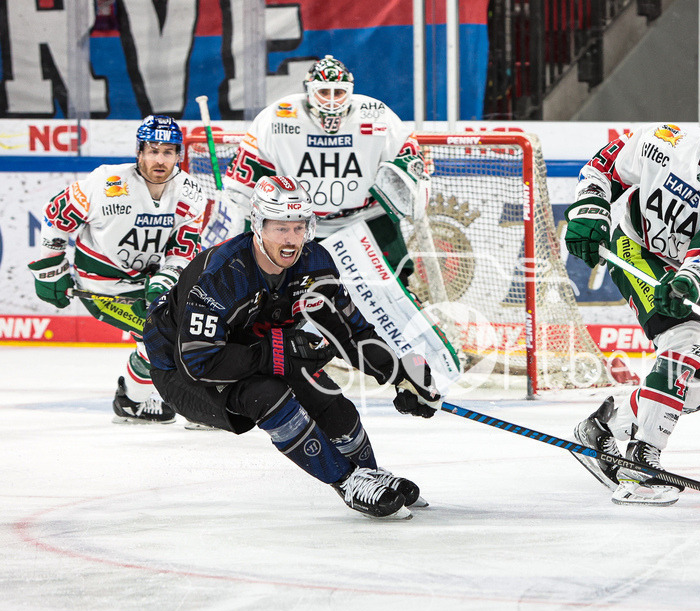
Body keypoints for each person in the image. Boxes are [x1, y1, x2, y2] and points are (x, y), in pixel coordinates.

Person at [142, 176, 442, 520]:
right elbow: (198, 360)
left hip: (249, 351)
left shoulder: (314, 263)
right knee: (268, 394)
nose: (291, 239)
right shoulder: (225, 274)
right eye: (280, 228)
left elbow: (351, 332)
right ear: (258, 225)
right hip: (181, 372)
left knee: (321, 388)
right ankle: (347, 481)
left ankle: (369, 473)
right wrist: (277, 351)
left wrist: (400, 373)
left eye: (299, 227)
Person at [563, 90, 700, 506]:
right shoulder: (665, 141)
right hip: (634, 249)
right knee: (686, 345)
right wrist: (590, 208)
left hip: (685, 272)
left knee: (693, 390)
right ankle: (641, 466)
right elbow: (603, 166)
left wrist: (689, 281)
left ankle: (599, 429)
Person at [28, 115, 206, 424]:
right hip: (102, 287)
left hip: (147, 280)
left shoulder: (190, 193)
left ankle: (136, 400)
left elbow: (183, 249)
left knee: (191, 328)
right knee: (160, 335)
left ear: (179, 155)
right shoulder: (105, 183)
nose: (159, 159)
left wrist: (167, 278)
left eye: (167, 152)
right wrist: (51, 269)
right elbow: (57, 215)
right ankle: (152, 402)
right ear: (139, 153)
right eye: (152, 151)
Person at [213, 55, 426, 283]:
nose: (332, 101)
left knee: (394, 287)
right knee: (283, 294)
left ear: (350, 90)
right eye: (324, 92)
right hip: (299, 223)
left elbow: (411, 159)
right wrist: (244, 233)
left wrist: (408, 181)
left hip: (367, 218)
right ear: (309, 91)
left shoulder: (378, 115)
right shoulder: (275, 119)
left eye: (339, 92)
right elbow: (243, 186)